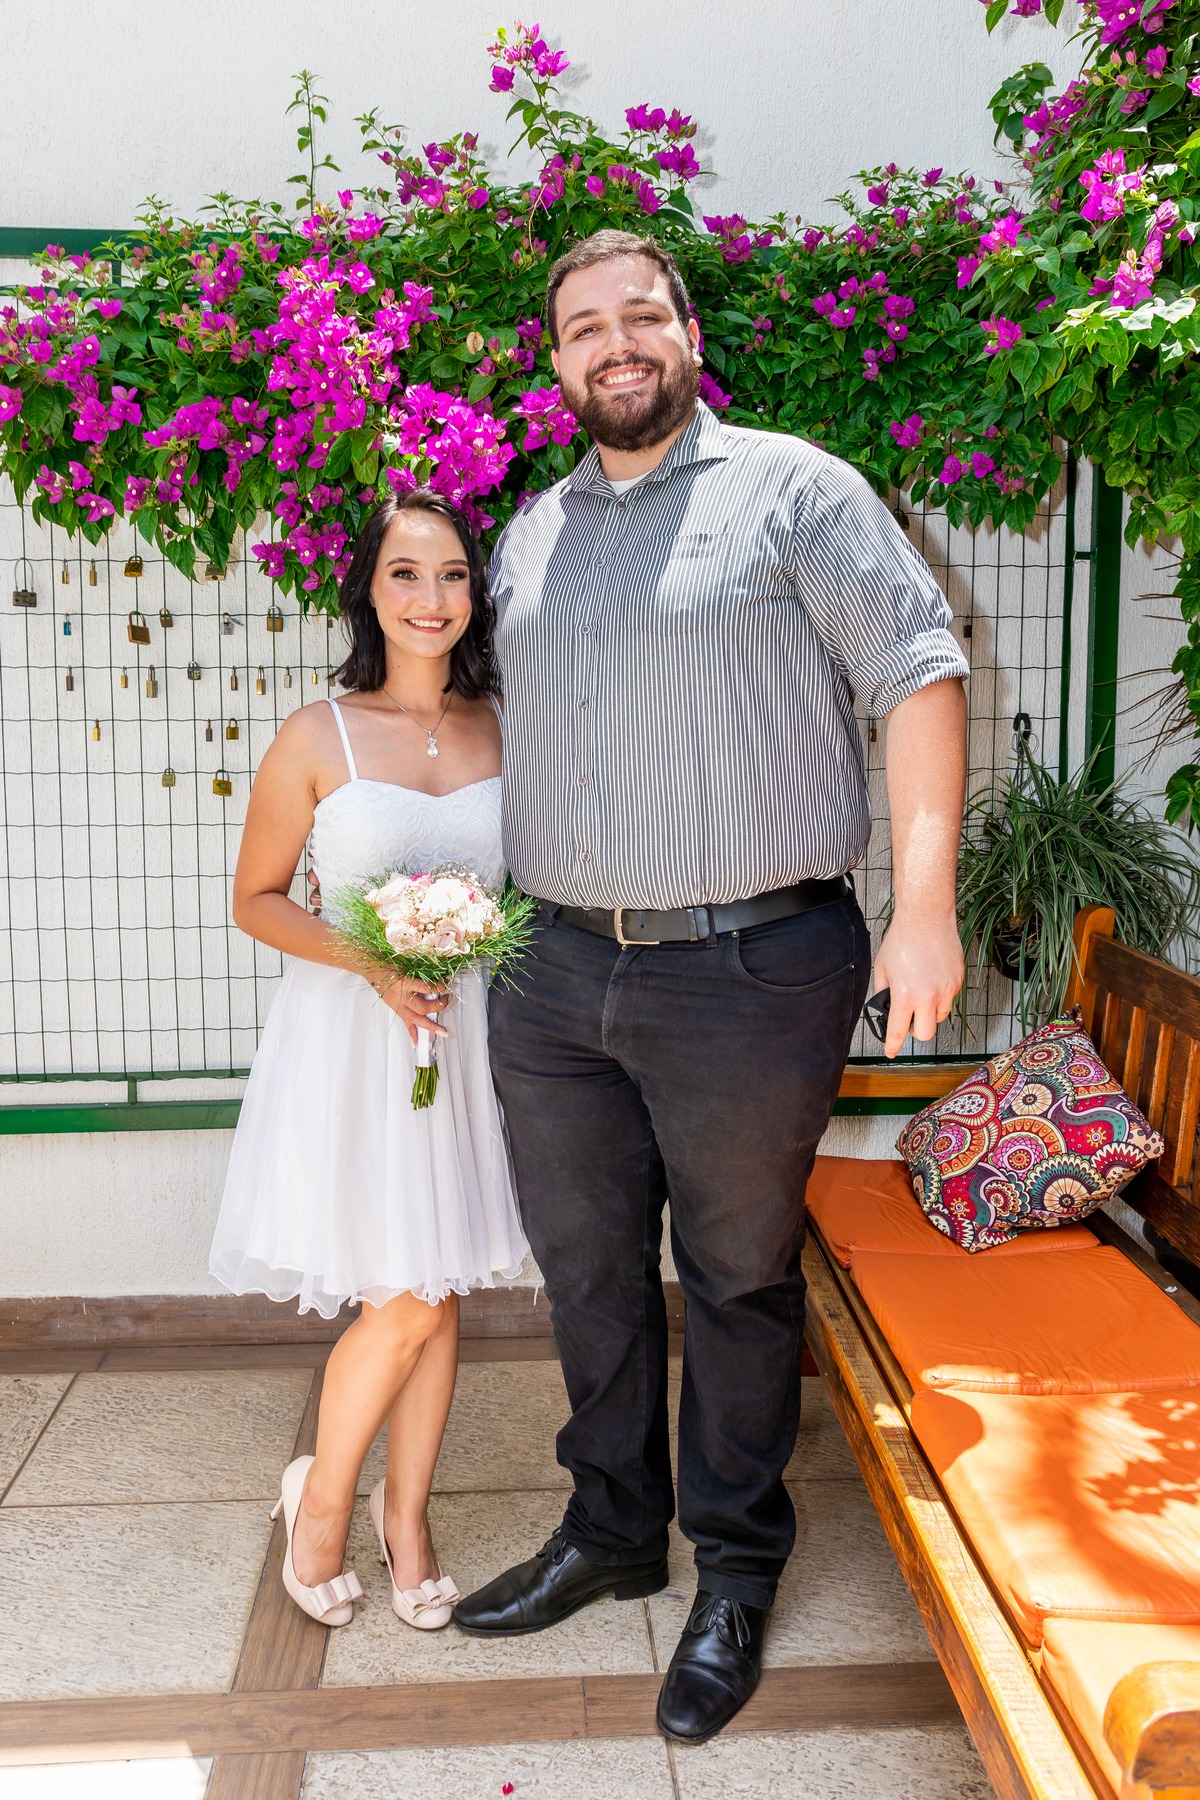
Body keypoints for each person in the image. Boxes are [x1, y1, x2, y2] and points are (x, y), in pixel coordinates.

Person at [450, 229, 969, 1744]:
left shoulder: (797, 491)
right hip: (553, 970)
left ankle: (736, 1569)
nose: (613, 343)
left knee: (736, 1278)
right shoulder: (530, 534)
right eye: (582, 327)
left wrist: (925, 907)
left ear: (687, 333)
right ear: (557, 362)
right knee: (587, 1269)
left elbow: (919, 673)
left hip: (751, 968)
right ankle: (613, 1531)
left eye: (640, 316)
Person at [209, 489, 528, 1634]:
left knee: (437, 1292)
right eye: (405, 573)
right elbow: (256, 898)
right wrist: (377, 963)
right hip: (355, 1038)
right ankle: (321, 1508)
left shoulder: (506, 724)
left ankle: (408, 1518)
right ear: (368, 590)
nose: (430, 598)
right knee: (402, 1298)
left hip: (463, 1038)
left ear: (476, 592)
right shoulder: (318, 734)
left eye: (452, 574)